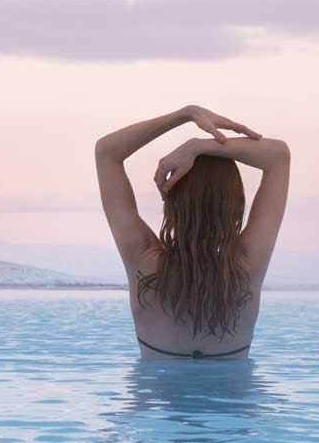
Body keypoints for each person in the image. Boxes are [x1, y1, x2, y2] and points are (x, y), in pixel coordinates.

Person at [94, 105, 290, 359]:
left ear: (173, 200)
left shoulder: (141, 259)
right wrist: (202, 146)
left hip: (155, 398)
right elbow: (279, 157)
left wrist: (185, 115)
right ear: (235, 203)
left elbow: (106, 152)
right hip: (236, 398)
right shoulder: (248, 265)